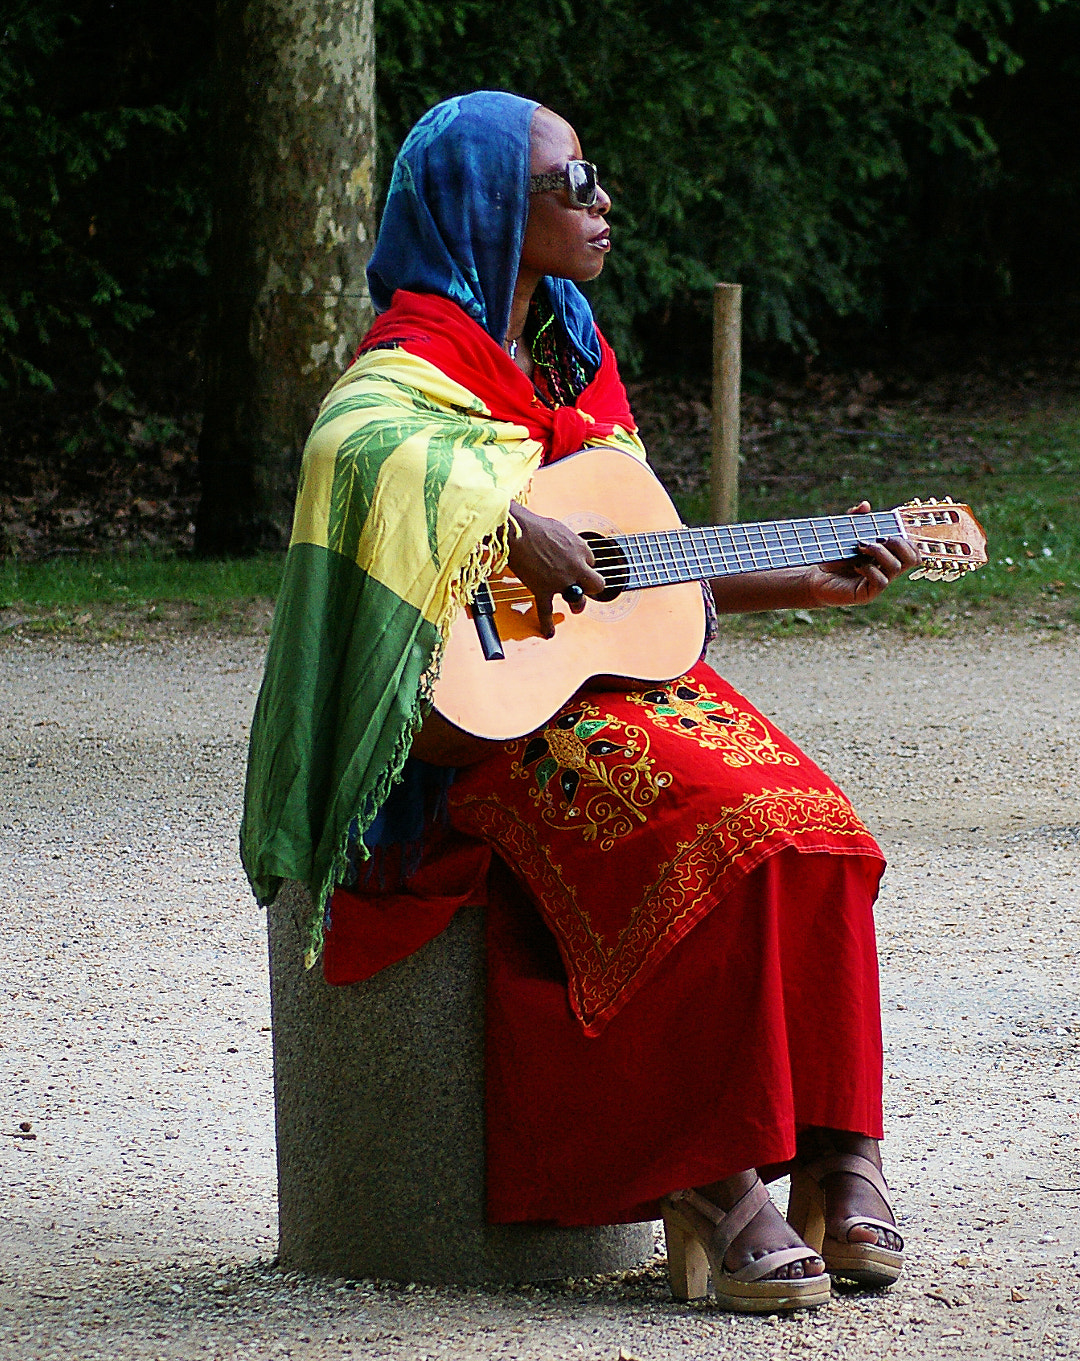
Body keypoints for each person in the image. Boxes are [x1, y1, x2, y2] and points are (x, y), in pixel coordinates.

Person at [240, 91, 914, 1313]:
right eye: (573, 183)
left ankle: (835, 1151)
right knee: (706, 827)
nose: (603, 203)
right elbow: (354, 455)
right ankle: (713, 1180)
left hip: (602, 684)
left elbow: (630, 561)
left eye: (593, 178)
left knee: (815, 824)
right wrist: (498, 517)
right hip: (472, 732)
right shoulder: (408, 359)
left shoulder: (568, 341)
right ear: (492, 207)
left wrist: (802, 582)